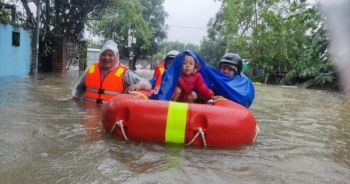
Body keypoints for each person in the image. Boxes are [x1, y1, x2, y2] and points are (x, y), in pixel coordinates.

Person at [71, 40, 152, 104]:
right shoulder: (89, 70)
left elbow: (147, 83)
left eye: (110, 55)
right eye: (104, 54)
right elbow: (77, 94)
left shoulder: (125, 73)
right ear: (100, 56)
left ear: (116, 57)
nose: (106, 57)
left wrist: (139, 85)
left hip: (110, 114)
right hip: (88, 114)